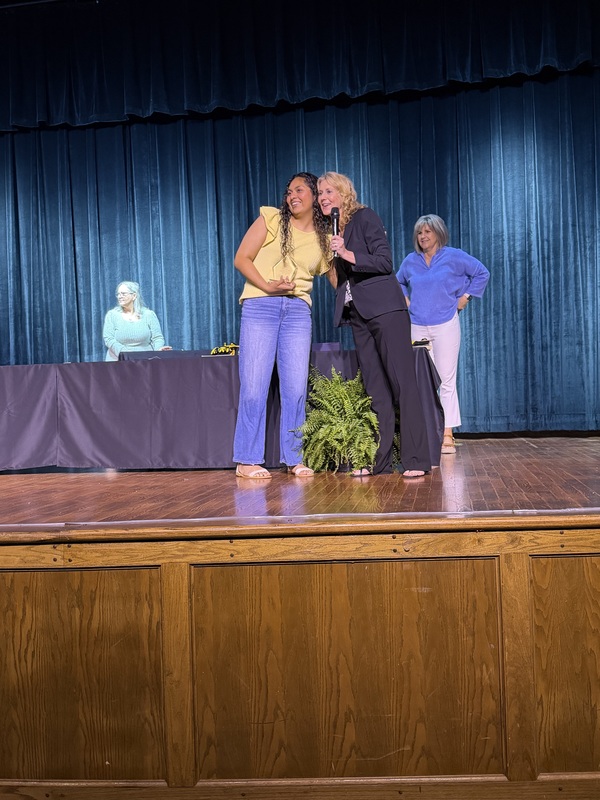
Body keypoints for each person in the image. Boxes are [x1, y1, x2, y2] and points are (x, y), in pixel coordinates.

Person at [317, 171, 431, 478]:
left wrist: (346, 253)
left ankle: (417, 459)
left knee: (402, 384)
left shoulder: (365, 218)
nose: (323, 197)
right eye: (320, 193)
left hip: (385, 311)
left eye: (329, 191)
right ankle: (380, 463)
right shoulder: (333, 231)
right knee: (376, 390)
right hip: (358, 315)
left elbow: (384, 262)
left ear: (343, 193)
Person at [233, 172, 331, 480]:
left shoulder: (324, 238)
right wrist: (268, 285)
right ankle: (247, 459)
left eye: (299, 190)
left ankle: (294, 457)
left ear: (315, 196)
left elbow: (338, 280)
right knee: (253, 387)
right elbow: (242, 258)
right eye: (289, 191)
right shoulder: (272, 218)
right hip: (260, 305)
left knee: (294, 388)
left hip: (298, 312)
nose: (292, 196)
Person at [396, 214, 490, 454]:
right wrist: (405, 299)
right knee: (420, 382)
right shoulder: (410, 261)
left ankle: (447, 433)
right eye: (419, 233)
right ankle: (426, 433)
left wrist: (466, 297)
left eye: (428, 231)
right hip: (417, 325)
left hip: (446, 324)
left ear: (438, 233)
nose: (423, 236)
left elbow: (482, 273)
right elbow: (397, 282)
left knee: (446, 380)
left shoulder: (454, 257)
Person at [103, 281, 171, 361]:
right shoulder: (112, 315)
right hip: (118, 360)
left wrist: (157, 351)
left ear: (134, 296)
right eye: (118, 294)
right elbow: (109, 339)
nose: (120, 297)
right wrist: (125, 353)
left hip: (145, 361)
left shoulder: (148, 314)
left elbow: (157, 337)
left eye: (123, 293)